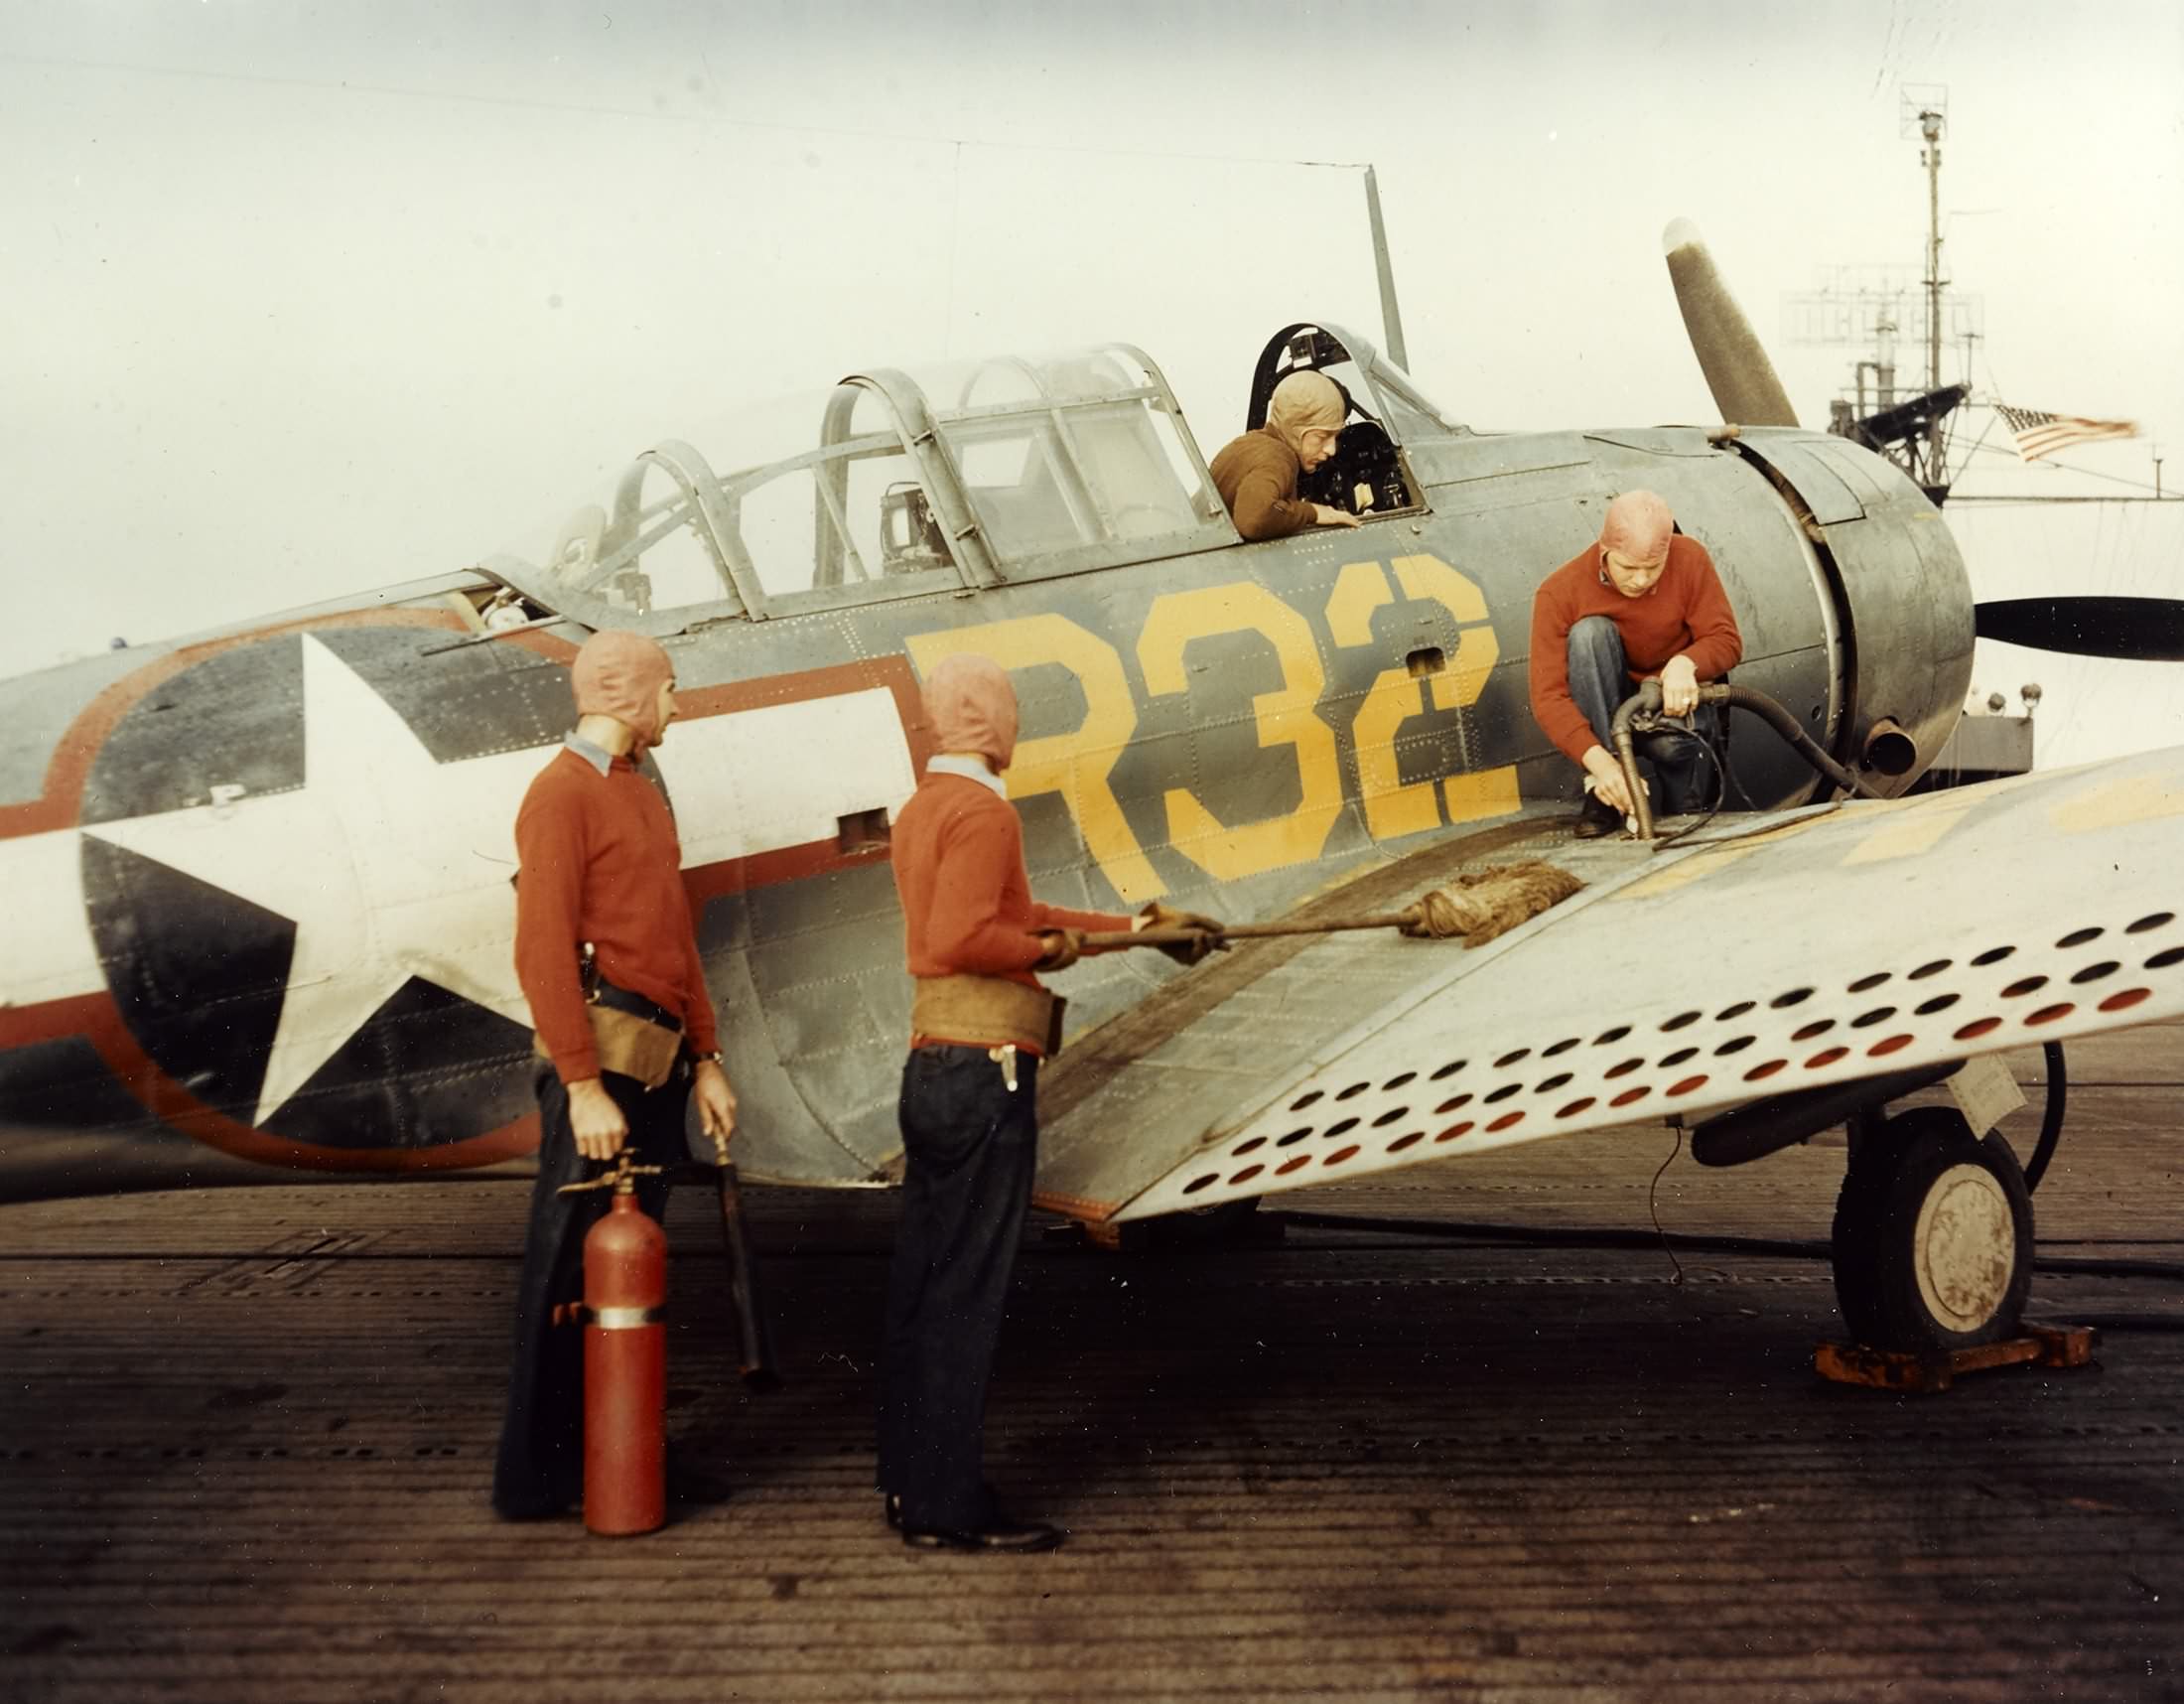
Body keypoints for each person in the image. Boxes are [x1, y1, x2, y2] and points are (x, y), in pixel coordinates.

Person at [880, 653, 1218, 1553]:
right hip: (985, 1067)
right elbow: (969, 936)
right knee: (968, 1293)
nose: (1016, 725)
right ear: (987, 720)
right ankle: (948, 1506)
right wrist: (1068, 951)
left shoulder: (924, 808)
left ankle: (910, 1486)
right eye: (1012, 710)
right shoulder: (984, 808)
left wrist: (1136, 931)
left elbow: (1012, 912)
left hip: (932, 1067)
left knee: (925, 1282)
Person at [493, 629, 739, 1520]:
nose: (677, 704)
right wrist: (582, 1083)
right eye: (669, 690)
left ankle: (622, 1455)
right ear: (629, 694)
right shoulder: (558, 797)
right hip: (604, 1073)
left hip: (659, 1063)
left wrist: (707, 1059)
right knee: (567, 1278)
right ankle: (537, 1477)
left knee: (624, 1282)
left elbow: (674, 942)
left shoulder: (639, 795)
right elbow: (542, 952)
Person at [1528, 490, 1743, 838]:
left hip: (1664, 703)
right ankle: (1605, 794)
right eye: (1628, 567)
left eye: (1653, 568)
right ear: (1604, 550)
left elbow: (1726, 640)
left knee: (1674, 756)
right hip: (1605, 711)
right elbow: (1548, 699)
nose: (1641, 580)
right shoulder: (1558, 592)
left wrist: (1686, 663)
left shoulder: (1690, 559)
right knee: (1589, 634)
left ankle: (1685, 801)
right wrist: (1603, 766)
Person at [1209, 369, 1365, 540]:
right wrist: (1313, 512)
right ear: (1295, 430)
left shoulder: (1243, 445)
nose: (1331, 450)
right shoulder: (1280, 457)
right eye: (1322, 437)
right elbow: (1254, 518)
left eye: (1335, 437)